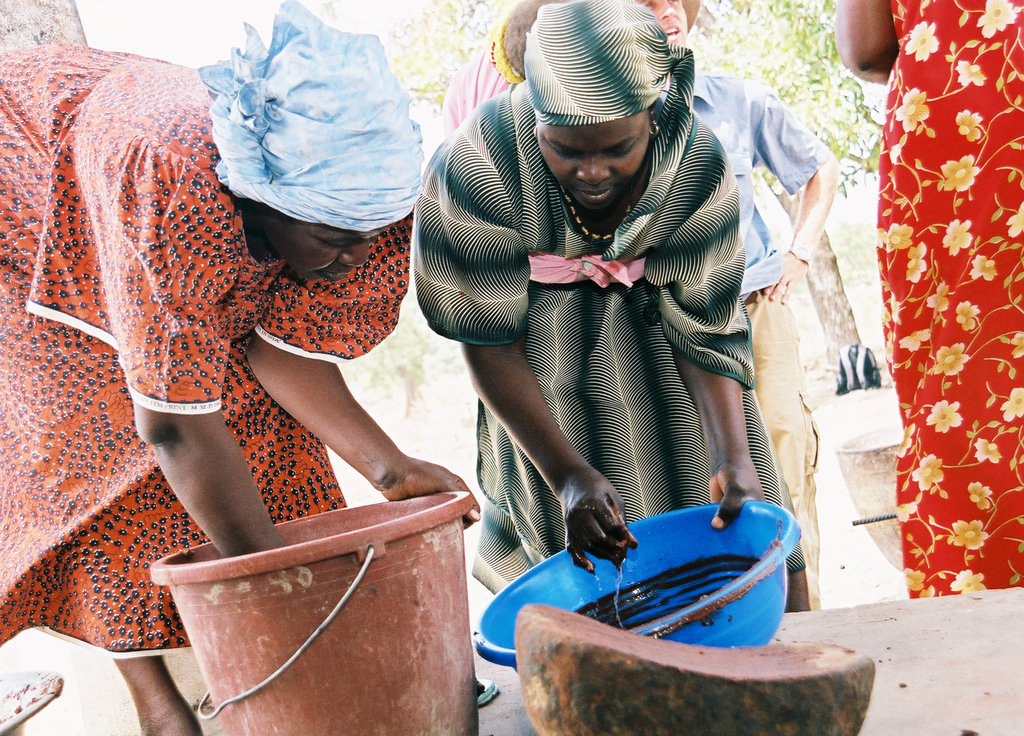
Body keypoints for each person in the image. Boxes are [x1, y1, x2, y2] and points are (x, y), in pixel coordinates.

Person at [0, 3, 477, 735]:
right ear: (260, 194)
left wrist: (389, 469)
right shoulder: (171, 187)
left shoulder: (360, 201)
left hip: (153, 192)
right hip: (29, 179)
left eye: (368, 238)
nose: (355, 256)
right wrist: (277, 589)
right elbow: (173, 430)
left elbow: (277, 351)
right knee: (102, 439)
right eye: (333, 239)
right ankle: (159, 704)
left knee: (264, 428)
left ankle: (265, 663)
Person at [416, 0, 809, 611]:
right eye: (565, 151)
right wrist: (567, 475)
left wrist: (733, 455)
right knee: (590, 566)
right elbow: (486, 340)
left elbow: (706, 319)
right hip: (543, 375)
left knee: (737, 514)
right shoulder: (475, 163)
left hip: (672, 350)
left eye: (616, 149)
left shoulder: (691, 155)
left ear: (650, 118)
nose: (591, 172)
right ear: (536, 120)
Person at [645, 0, 840, 608]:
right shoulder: (607, 111)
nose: (667, 11)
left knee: (782, 445)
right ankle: (735, 617)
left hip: (755, 304)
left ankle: (802, 618)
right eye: (647, 3)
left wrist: (800, 251)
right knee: (707, 474)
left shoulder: (739, 99)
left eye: (673, 0)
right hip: (667, 323)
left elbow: (818, 168)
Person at [836, 1, 1024, 597]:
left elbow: (866, 50)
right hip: (994, 109)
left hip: (955, 140)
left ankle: (983, 609)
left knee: (966, 382)